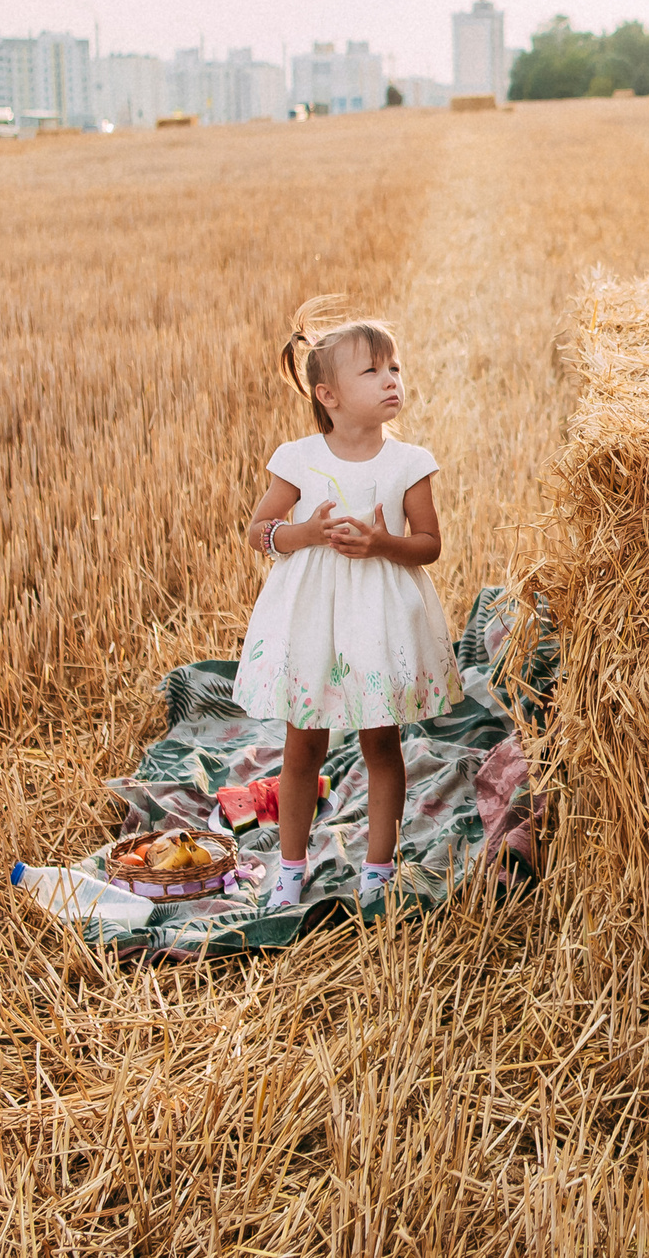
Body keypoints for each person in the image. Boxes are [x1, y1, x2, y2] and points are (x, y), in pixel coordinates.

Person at [234, 298, 460, 913]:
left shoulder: (409, 463)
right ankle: (290, 870)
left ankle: (378, 870)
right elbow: (258, 531)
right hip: (313, 618)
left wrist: (380, 544)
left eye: (396, 369)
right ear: (328, 395)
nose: (392, 381)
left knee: (380, 744)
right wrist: (306, 533)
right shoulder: (298, 458)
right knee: (302, 745)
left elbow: (429, 545)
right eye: (373, 371)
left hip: (376, 619)